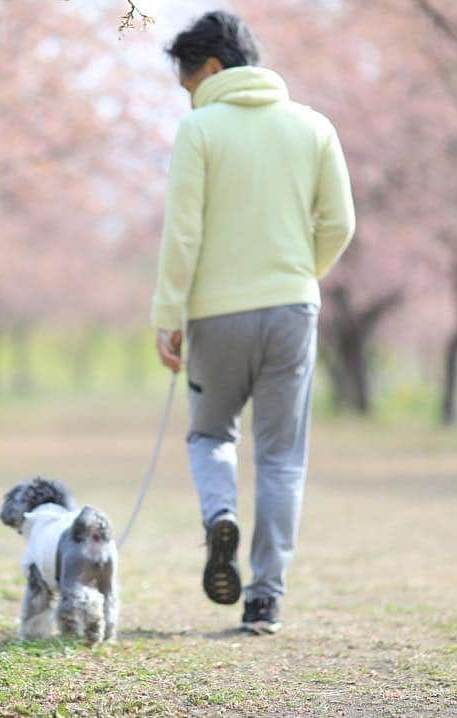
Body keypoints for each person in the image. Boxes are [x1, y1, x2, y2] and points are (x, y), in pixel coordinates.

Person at [150, 11, 355, 634]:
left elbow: (183, 233)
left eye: (187, 84)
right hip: (292, 309)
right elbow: (340, 225)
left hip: (216, 313)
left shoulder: (200, 130)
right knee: (281, 456)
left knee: (210, 436)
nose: (188, 96)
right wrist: (299, 275)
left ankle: (220, 518)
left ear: (210, 69)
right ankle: (264, 598)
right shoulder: (314, 126)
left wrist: (168, 316)